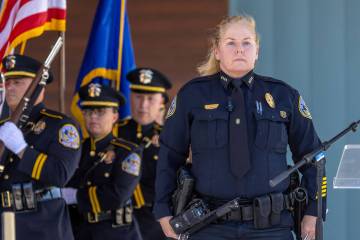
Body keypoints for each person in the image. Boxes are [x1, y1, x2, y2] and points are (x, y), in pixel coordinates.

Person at [154, 15, 327, 240]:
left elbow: (314, 156)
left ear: (257, 51)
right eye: (231, 43)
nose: (239, 50)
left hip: (271, 228)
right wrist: (163, 212)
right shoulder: (192, 96)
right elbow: (169, 156)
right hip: (208, 226)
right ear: (217, 51)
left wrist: (313, 212)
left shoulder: (284, 96)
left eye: (247, 42)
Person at [0, 54, 81, 240]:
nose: (10, 87)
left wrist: (21, 149)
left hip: (42, 224)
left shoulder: (60, 126)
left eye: (18, 82)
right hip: (5, 223)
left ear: (38, 87)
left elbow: (60, 174)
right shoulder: (3, 127)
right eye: (8, 82)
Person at [63, 83, 143, 240]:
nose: (93, 116)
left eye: (100, 111)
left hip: (116, 233)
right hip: (78, 231)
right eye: (88, 111)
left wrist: (76, 196)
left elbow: (118, 195)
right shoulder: (75, 148)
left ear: (114, 116)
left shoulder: (128, 151)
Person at [115, 68, 172, 240]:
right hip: (116, 221)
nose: (143, 105)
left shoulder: (171, 138)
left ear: (161, 102)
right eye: (138, 97)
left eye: (150, 99)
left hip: (156, 223)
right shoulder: (114, 132)